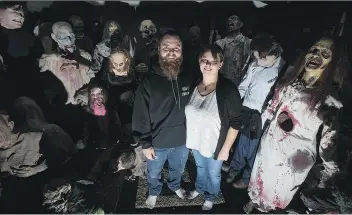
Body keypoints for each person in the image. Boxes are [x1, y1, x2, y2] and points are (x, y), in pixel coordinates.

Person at [243, 37, 345, 213]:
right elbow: (273, 105)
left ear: (334, 61)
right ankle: (255, 199)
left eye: (325, 53)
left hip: (295, 154)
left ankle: (268, 207)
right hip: (271, 142)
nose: (316, 55)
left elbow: (329, 143)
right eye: (314, 49)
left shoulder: (331, 99)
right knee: (260, 175)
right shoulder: (290, 79)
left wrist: (330, 174)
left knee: (278, 189)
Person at [132, 30, 195, 209]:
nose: (172, 52)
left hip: (182, 140)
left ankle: (175, 186)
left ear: (182, 51)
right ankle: (154, 192)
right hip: (157, 141)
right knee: (154, 172)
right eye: (166, 48)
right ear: (158, 50)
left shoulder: (189, 76)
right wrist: (145, 143)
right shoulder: (148, 80)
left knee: (178, 169)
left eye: (177, 48)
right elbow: (140, 114)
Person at [224, 33, 285, 189]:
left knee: (253, 149)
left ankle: (246, 178)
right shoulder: (255, 64)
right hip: (246, 109)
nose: (258, 62)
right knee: (241, 143)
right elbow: (244, 85)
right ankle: (234, 167)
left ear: (275, 54)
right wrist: (235, 102)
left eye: (262, 59)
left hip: (261, 116)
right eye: (256, 58)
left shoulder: (283, 71)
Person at [185, 44, 242, 210]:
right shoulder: (194, 84)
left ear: (220, 64)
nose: (208, 65)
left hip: (215, 146)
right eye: (204, 60)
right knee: (201, 169)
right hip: (196, 142)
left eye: (213, 61)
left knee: (213, 174)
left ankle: (210, 196)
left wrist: (226, 149)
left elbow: (236, 123)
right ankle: (199, 188)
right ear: (199, 62)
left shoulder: (227, 89)